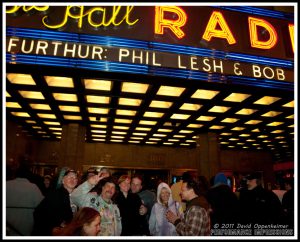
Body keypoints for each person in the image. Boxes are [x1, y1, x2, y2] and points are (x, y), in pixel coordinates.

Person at [32, 168, 79, 235]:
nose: (73, 179)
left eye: (75, 178)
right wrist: (56, 225)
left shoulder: (78, 196)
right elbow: (39, 213)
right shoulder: (55, 194)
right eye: (70, 177)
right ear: (63, 180)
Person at [6, 164, 44, 236]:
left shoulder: (6, 185)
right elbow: (42, 206)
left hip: (7, 227)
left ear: (15, 175)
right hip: (26, 227)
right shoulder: (33, 187)